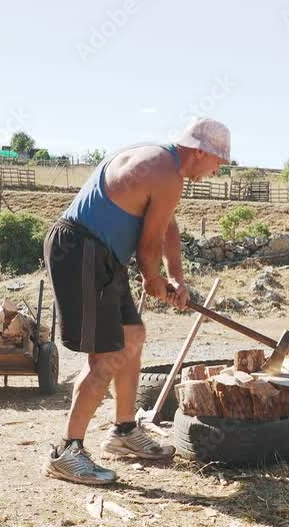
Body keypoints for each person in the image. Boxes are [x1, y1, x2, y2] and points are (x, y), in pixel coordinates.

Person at [41, 117, 231, 485]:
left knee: (131, 338)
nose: (216, 171)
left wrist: (175, 278)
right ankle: (66, 451)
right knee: (106, 356)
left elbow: (166, 229)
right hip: (82, 250)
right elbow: (147, 247)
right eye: (218, 162)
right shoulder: (164, 172)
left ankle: (124, 432)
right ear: (200, 151)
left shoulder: (165, 165)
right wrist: (153, 279)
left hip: (102, 255)